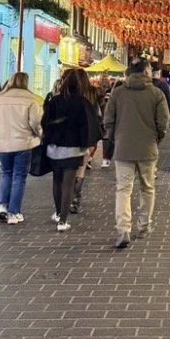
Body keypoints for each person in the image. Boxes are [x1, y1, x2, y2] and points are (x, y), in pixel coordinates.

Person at [104, 59, 169, 249]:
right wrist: (156, 138)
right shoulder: (156, 94)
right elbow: (163, 122)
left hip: (123, 148)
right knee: (147, 188)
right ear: (147, 71)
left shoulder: (118, 93)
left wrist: (116, 137)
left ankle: (123, 229)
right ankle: (143, 226)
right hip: (148, 148)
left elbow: (108, 120)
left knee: (123, 189)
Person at [42, 69, 102, 232]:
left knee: (57, 181)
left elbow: (45, 122)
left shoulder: (55, 101)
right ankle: (63, 220)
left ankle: (57, 212)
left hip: (55, 147)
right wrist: (86, 145)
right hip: (74, 148)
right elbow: (88, 125)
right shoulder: (82, 102)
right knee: (68, 184)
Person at [0, 72, 42, 225]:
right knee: (19, 177)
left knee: (6, 174)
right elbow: (36, 123)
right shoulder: (31, 101)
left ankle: (2, 206)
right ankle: (14, 212)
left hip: (2, 144)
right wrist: (39, 136)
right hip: (23, 143)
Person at [70, 69, 102, 214]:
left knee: (68, 168)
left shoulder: (69, 95)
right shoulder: (92, 93)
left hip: (70, 136)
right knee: (81, 168)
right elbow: (98, 114)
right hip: (88, 135)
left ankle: (67, 197)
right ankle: (75, 200)